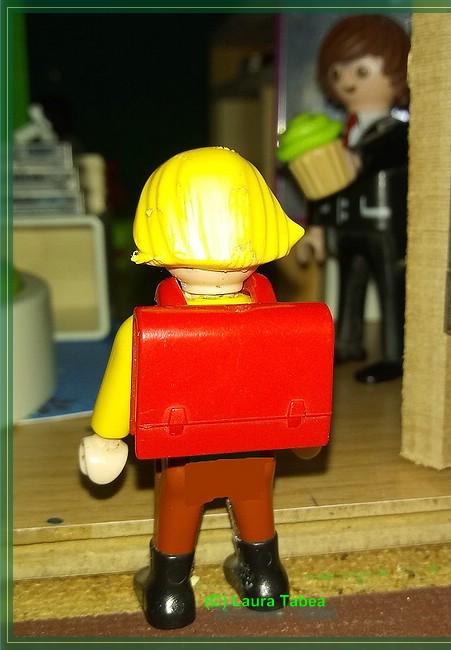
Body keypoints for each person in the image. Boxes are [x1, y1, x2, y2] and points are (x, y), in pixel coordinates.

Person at [78, 147, 333, 629]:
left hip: (185, 456)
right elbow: (302, 385)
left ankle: (170, 595)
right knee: (256, 507)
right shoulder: (287, 324)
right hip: (256, 454)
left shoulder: (146, 331)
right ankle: (265, 582)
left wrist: (106, 437)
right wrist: (305, 435)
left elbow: (119, 387)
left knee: (178, 514)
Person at [297, 14, 410, 384]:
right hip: (348, 227)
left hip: (383, 227)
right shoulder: (336, 137)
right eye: (338, 72)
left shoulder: (396, 133)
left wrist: (357, 159)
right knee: (349, 284)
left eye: (361, 71)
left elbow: (387, 150)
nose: (347, 81)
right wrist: (316, 228)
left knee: (391, 288)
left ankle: (395, 354)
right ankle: (347, 341)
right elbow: (323, 185)